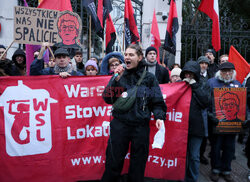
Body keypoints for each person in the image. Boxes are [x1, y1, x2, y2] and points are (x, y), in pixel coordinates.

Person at [101, 44, 167, 182]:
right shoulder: (120, 76)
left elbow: (157, 102)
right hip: (120, 125)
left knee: (138, 164)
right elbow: (107, 98)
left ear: (140, 57)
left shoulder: (149, 78)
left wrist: (159, 117)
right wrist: (115, 80)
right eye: (126, 55)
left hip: (140, 127)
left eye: (131, 55)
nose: (127, 57)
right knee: (113, 161)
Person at [208, 62, 241, 182]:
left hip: (233, 124)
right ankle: (215, 169)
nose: (227, 73)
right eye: (225, 71)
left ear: (233, 72)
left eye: (230, 71)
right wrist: (210, 115)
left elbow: (243, 104)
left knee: (230, 148)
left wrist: (245, 117)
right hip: (217, 123)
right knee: (216, 147)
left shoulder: (238, 84)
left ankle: (227, 170)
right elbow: (206, 102)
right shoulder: (211, 83)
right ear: (220, 72)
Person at [180, 60, 209, 182]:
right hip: (181, 127)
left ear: (195, 74)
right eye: (186, 73)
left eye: (190, 74)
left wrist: (194, 86)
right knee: (181, 155)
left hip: (196, 127)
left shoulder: (203, 84)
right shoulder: (179, 85)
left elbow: (205, 102)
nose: (188, 76)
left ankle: (192, 179)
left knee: (194, 156)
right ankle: (180, 177)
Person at [197, 56, 212, 165]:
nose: (204, 65)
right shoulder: (195, 76)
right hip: (196, 109)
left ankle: (201, 155)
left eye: (206, 63)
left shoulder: (211, 77)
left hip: (208, 110)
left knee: (205, 135)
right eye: (202, 63)